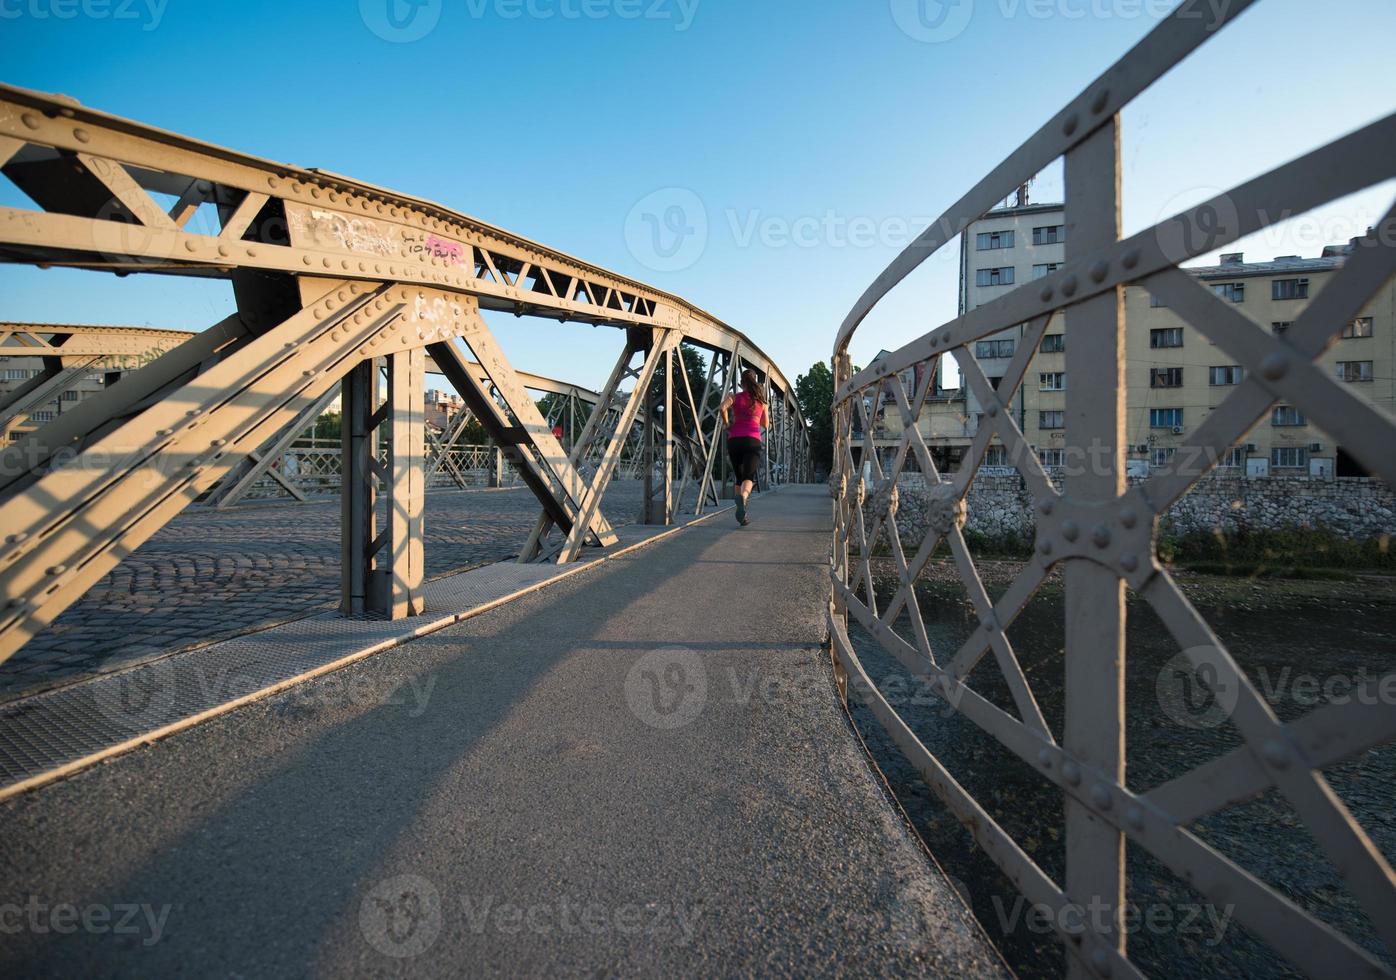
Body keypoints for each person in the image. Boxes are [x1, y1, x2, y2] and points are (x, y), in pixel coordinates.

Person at [720, 368, 769, 526]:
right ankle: (744, 498)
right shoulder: (762, 402)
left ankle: (741, 515)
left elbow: (722, 408)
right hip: (752, 441)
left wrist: (727, 423)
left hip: (734, 440)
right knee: (748, 477)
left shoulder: (733, 397)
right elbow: (765, 425)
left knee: (739, 477)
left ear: (742, 383)